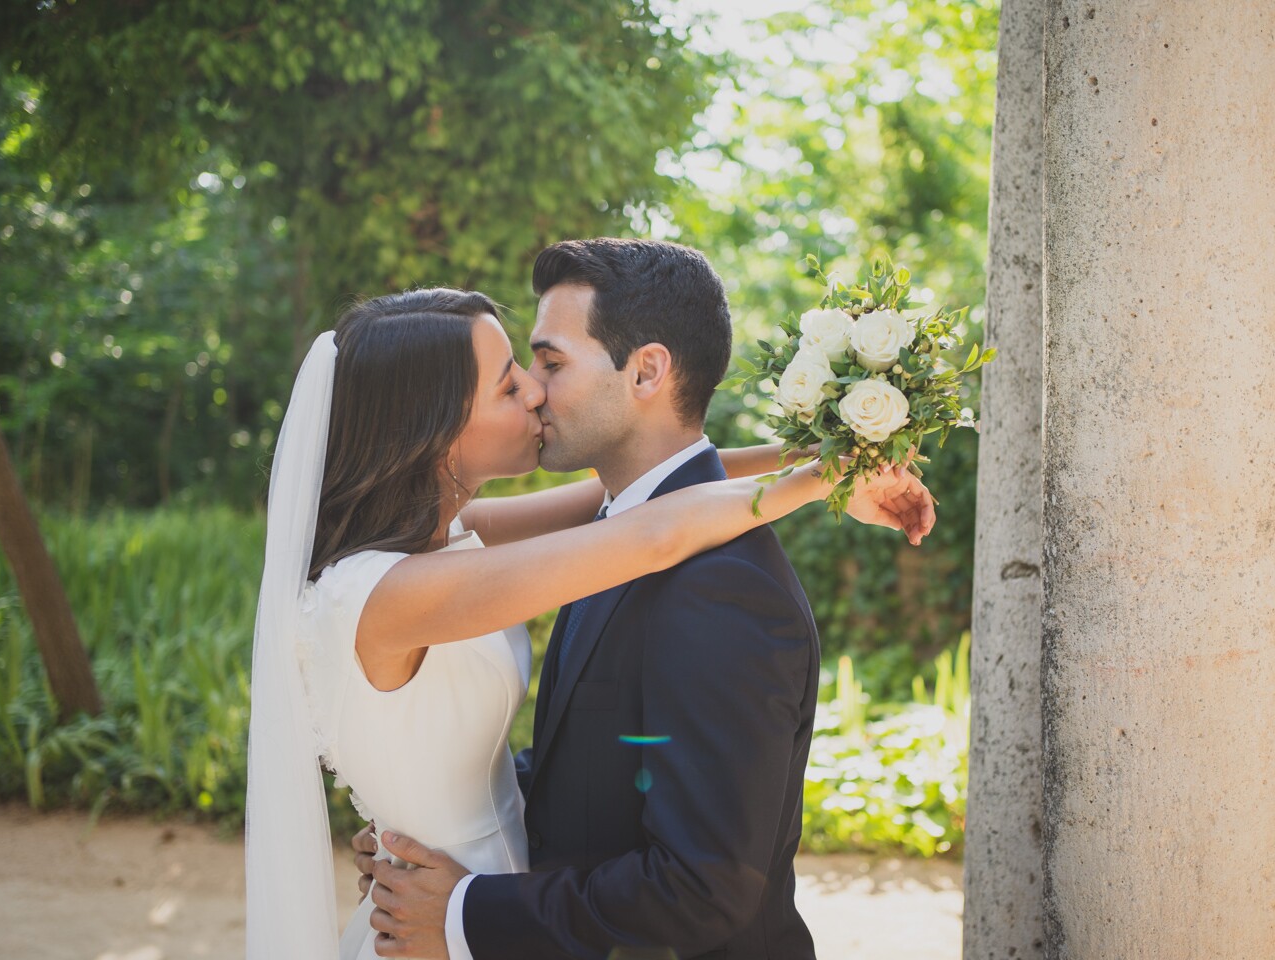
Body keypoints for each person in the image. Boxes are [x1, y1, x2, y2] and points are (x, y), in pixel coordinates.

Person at [333, 239, 936, 960]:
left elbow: (704, 886)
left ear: (646, 370)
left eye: (550, 363)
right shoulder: (604, 535)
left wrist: (829, 462)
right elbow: (652, 539)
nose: (533, 390)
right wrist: (826, 471)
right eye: (513, 379)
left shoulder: (720, 585)